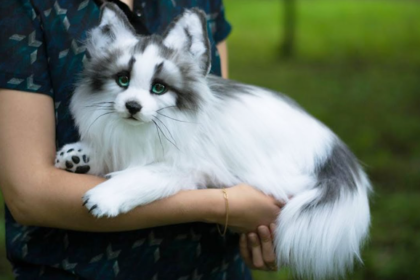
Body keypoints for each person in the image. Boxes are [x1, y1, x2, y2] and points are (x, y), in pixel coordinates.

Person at [0, 0, 282, 279]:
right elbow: (29, 195)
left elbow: (213, 132)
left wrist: (256, 228)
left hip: (216, 267)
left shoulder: (202, 4)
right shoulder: (25, 7)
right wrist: (224, 206)